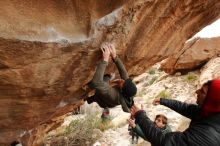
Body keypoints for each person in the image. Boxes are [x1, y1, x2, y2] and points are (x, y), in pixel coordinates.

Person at [130, 79, 220, 146]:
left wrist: (140, 115)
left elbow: (164, 141)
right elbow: (186, 108)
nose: (197, 92)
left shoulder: (206, 135)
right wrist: (163, 101)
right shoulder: (210, 113)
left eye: (202, 92)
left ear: (212, 100)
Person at [87, 43, 137, 112]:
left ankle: (90, 93)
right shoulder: (129, 90)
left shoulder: (113, 95)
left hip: (103, 101)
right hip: (109, 96)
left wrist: (105, 60)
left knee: (105, 78)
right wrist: (115, 56)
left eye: (123, 83)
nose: (123, 80)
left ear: (122, 90)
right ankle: (91, 99)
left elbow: (96, 82)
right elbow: (123, 72)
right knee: (103, 88)